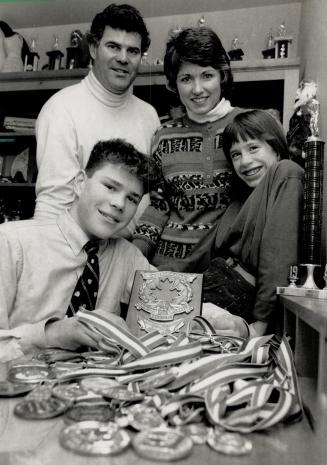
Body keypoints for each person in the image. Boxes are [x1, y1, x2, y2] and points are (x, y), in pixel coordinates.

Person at [0, 139, 158, 363]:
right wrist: (54, 334)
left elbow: (175, 299)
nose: (119, 204)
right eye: (110, 187)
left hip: (96, 389)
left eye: (132, 198)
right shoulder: (11, 242)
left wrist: (219, 318)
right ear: (80, 182)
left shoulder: (127, 256)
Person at [34, 3, 160, 236]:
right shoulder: (61, 108)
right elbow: (52, 206)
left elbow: (151, 199)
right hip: (77, 259)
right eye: (113, 46)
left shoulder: (149, 116)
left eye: (132, 51)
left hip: (133, 256)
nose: (123, 58)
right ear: (93, 48)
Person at [179, 109, 304, 338]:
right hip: (203, 299)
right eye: (235, 154)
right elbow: (195, 260)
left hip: (235, 310)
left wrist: (260, 324)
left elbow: (279, 256)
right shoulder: (239, 203)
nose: (245, 161)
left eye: (253, 148)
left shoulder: (287, 173)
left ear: (276, 149)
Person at [133, 26, 244, 269]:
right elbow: (159, 206)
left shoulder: (248, 127)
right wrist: (132, 258)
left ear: (222, 75)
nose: (197, 89)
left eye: (206, 75)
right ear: (174, 84)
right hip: (164, 269)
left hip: (224, 272)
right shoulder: (163, 136)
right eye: (186, 78)